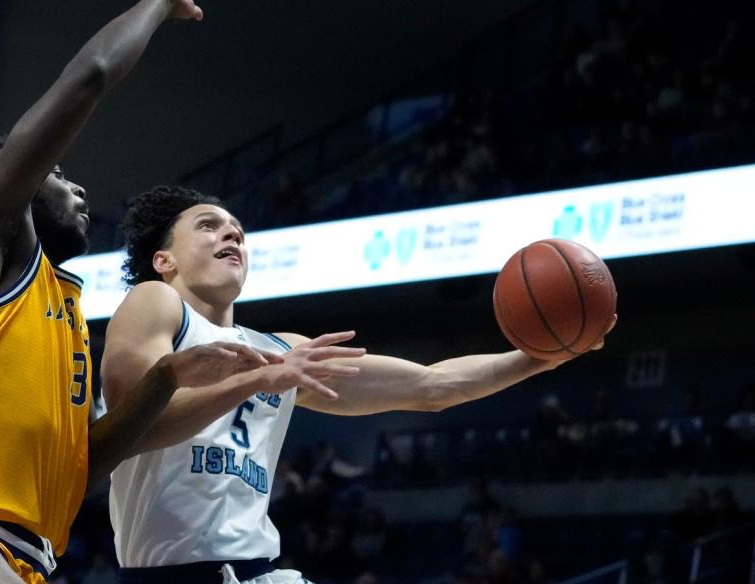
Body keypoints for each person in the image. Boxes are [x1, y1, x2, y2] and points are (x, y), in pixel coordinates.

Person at [0, 2, 309, 583]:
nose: (76, 184)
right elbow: (90, 76)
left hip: (27, 556)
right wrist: (155, 6)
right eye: (54, 173)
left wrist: (168, 377)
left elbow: (86, 466)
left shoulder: (64, 314)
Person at [101, 187, 615, 583]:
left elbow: (432, 387)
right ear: (163, 260)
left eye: (237, 230)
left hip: (259, 570)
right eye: (209, 227)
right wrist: (259, 378)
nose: (231, 235)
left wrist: (543, 358)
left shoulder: (281, 349)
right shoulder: (156, 301)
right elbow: (133, 427)